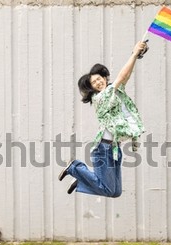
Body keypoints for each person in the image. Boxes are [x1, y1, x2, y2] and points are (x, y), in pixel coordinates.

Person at [58, 41, 148, 197]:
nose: (98, 82)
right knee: (107, 189)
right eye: (94, 82)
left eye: (99, 79)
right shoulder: (100, 98)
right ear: (92, 88)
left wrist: (137, 56)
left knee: (115, 192)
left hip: (114, 148)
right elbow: (122, 76)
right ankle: (75, 168)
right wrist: (133, 53)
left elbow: (125, 76)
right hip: (103, 149)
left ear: (105, 78)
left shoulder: (115, 91)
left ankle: (82, 180)